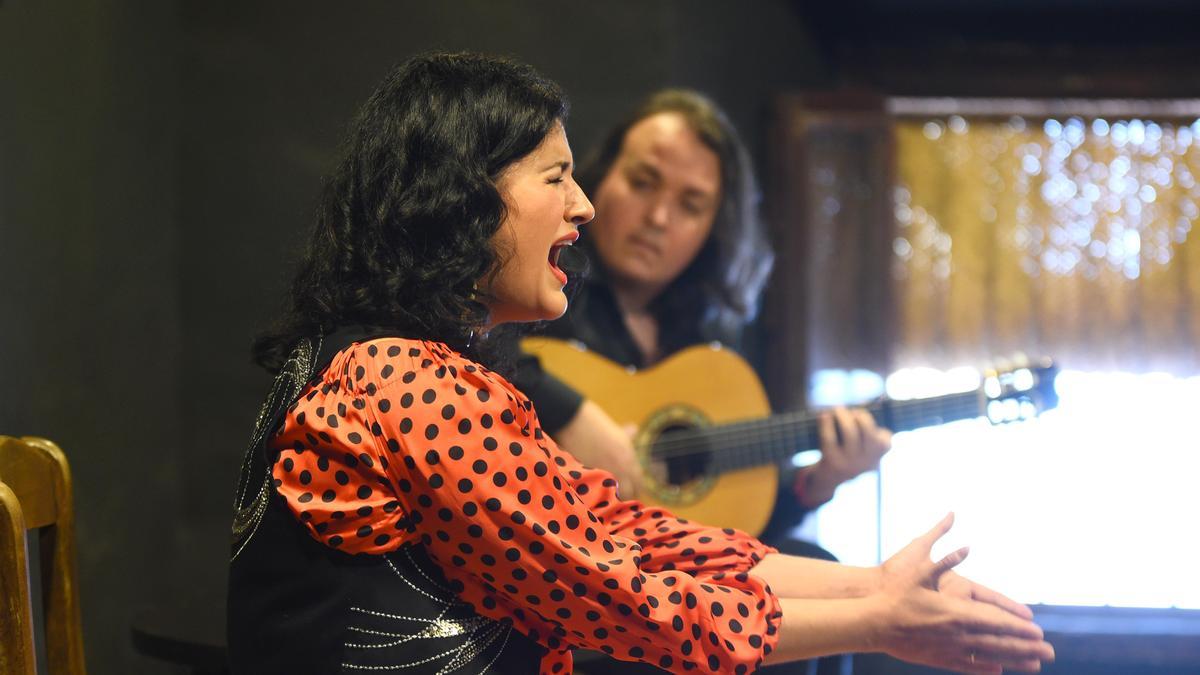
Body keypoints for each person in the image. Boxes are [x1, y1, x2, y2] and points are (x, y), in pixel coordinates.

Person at [226, 52, 1054, 675]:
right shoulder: (407, 382)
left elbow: (626, 529)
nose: (582, 205)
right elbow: (608, 589)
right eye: (557, 176)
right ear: (463, 196)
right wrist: (878, 622)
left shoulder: (379, 358)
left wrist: (873, 585)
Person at [516, 90, 889, 546]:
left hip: (647, 564)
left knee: (811, 558)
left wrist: (819, 481)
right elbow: (466, 345)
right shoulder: (534, 280)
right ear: (599, 175)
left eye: (690, 206)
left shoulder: (709, 343)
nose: (657, 217)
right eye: (642, 182)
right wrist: (574, 415)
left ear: (715, 227)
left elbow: (729, 526)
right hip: (544, 546)